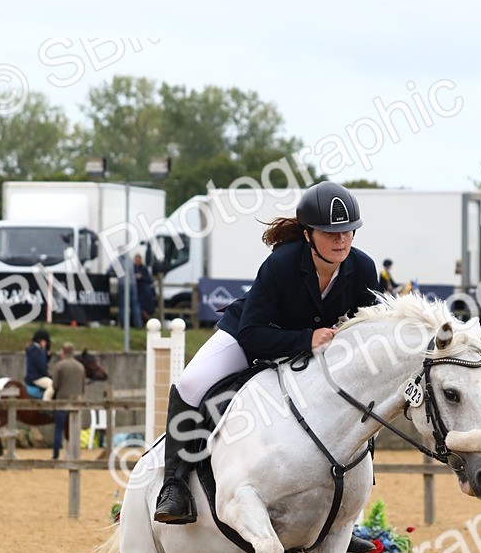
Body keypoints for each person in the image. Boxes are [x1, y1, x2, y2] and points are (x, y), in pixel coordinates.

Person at [154, 181, 379, 530]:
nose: (341, 240)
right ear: (307, 235)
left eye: (348, 231)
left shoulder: (363, 268)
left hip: (316, 352)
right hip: (250, 337)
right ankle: (175, 483)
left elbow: (368, 329)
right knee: (192, 382)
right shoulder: (282, 263)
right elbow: (252, 334)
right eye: (329, 233)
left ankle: (350, 515)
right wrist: (307, 338)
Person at [50, 342, 86, 459]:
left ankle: (55, 455)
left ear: (63, 352)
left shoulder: (60, 366)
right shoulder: (80, 367)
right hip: (76, 402)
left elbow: (55, 385)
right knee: (74, 430)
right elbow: (83, 386)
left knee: (59, 429)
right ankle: (75, 455)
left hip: (62, 401)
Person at [24, 330, 54, 400]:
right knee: (52, 386)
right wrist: (47, 375)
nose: (46, 344)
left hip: (37, 376)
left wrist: (47, 356)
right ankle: (46, 403)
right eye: (45, 342)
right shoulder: (35, 350)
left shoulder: (37, 350)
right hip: (36, 377)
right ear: (41, 341)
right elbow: (40, 365)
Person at [133, 253, 157, 323]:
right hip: (137, 291)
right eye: (136, 260)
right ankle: (147, 321)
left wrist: (141, 277)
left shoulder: (144, 268)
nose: (137, 261)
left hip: (144, 291)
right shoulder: (133, 267)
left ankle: (149, 320)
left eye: (138, 260)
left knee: (145, 306)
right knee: (139, 306)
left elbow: (148, 279)